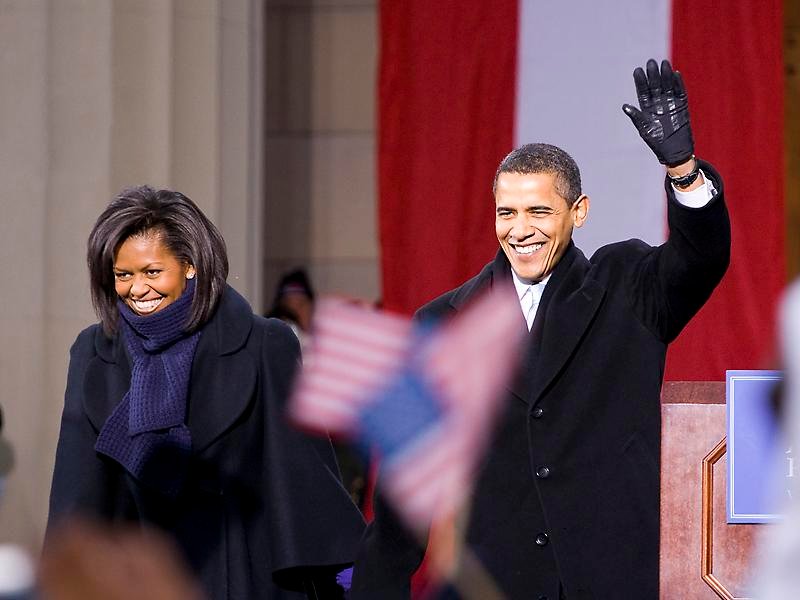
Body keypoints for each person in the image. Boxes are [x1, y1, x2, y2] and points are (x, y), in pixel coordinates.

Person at [350, 59, 731, 599]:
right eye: (506, 213)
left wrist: (684, 173)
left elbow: (701, 259)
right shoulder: (441, 323)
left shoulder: (626, 287)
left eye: (538, 211)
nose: (520, 230)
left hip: (611, 581)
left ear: (578, 212)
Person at [47, 186, 365, 599]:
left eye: (152, 272)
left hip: (242, 578)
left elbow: (298, 480)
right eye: (123, 275)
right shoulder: (93, 352)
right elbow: (76, 494)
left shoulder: (264, 343)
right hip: (133, 579)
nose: (136, 289)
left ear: (191, 266)